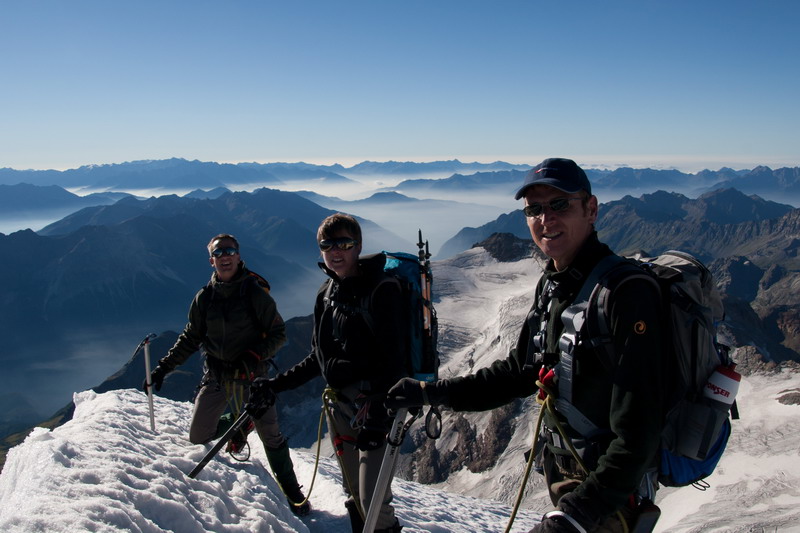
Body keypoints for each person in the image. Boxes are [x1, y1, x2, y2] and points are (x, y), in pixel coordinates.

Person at [385, 158, 667, 533]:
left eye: (560, 204)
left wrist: (579, 514)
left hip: (609, 501)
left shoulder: (626, 295)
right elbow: (517, 374)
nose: (545, 218)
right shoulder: (554, 287)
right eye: (533, 209)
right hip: (573, 485)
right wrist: (430, 392)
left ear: (592, 209)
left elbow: (639, 433)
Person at [249, 213, 407, 533]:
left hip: (373, 407)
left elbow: (397, 359)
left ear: (358, 246)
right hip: (339, 408)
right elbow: (317, 359)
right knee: (353, 491)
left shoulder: (382, 290)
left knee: (373, 499)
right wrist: (275, 385)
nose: (336, 251)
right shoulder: (326, 293)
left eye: (344, 244)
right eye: (327, 244)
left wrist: (378, 406)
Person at [144, 233, 310, 516]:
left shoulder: (254, 293)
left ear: (239, 255)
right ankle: (240, 424)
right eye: (219, 253)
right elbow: (191, 337)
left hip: (252, 377)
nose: (225, 257)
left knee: (271, 436)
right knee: (199, 436)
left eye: (230, 251)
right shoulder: (204, 298)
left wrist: (254, 354)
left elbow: (278, 333)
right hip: (218, 375)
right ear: (211, 261)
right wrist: (164, 366)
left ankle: (293, 493)